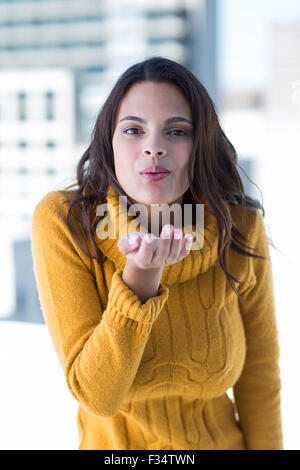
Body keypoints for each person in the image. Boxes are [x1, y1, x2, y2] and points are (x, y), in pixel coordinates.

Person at [31, 56, 283, 450]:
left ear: (201, 145)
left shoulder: (239, 226)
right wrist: (140, 279)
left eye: (177, 131)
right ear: (108, 143)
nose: (154, 148)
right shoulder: (66, 223)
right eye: (133, 130)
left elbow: (260, 379)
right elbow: (96, 396)